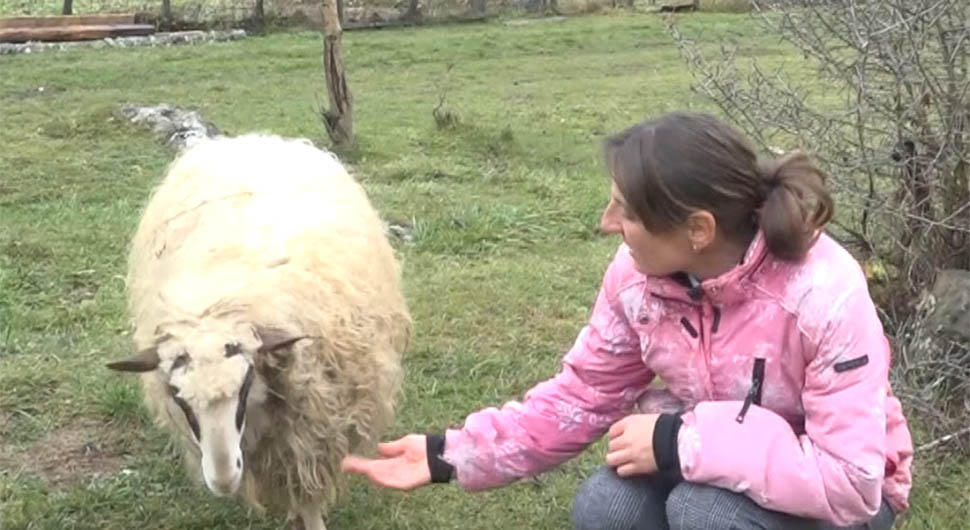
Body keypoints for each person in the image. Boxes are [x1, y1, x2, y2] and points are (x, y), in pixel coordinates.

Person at [341, 112, 914, 530]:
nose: (606, 222)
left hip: (841, 500)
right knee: (607, 506)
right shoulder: (638, 280)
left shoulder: (822, 293)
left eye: (626, 210)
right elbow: (583, 394)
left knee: (705, 514)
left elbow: (851, 482)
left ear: (698, 230)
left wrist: (679, 440)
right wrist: (452, 454)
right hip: (708, 459)